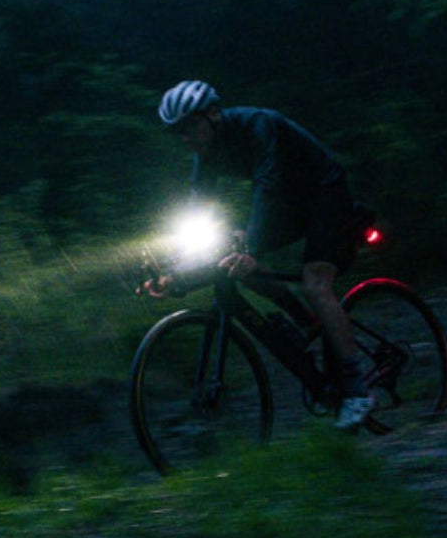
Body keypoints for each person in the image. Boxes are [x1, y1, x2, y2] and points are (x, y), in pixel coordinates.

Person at [145, 79, 376, 431]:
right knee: (228, 254)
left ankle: (357, 390)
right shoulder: (205, 157)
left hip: (324, 192)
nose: (185, 138)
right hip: (288, 203)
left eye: (190, 127)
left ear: (212, 114)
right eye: (177, 132)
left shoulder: (258, 124)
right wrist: (176, 271)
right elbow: (197, 209)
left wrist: (251, 247)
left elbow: (269, 185)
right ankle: (308, 322)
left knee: (316, 283)